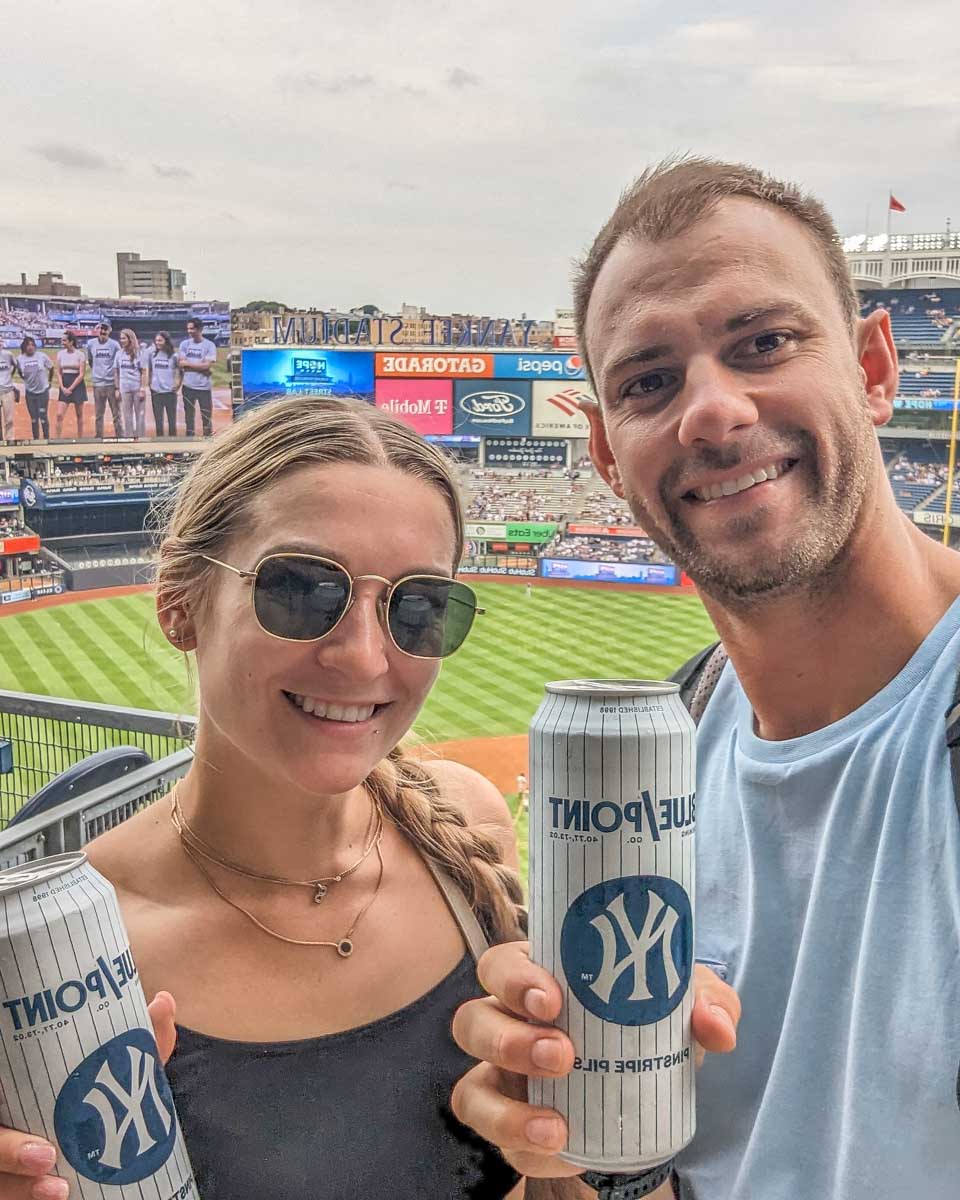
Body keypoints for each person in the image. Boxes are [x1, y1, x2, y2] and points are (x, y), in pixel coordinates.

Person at [450, 157, 960, 1200]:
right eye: (649, 382)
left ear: (874, 368)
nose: (712, 412)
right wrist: (563, 1152)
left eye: (763, 342)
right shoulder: (671, 747)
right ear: (606, 452)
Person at [0, 396, 526, 1200]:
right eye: (301, 590)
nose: (363, 658)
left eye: (419, 607)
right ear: (180, 600)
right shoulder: (67, 950)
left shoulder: (469, 822)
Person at [179, 317, 217, 437]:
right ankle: (189, 438)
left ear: (199, 329)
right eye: (188, 329)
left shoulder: (209, 345)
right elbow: (181, 363)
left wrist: (189, 365)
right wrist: (201, 367)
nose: (189, 331)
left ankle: (208, 439)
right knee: (189, 416)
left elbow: (206, 365)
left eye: (192, 329)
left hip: (204, 387)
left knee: (206, 416)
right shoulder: (184, 344)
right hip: (188, 386)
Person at [86, 320, 123, 437]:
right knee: (98, 414)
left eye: (105, 329)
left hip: (111, 383)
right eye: (101, 329)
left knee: (116, 413)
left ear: (109, 331)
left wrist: (117, 384)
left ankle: (120, 436)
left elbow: (118, 363)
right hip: (98, 384)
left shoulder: (115, 345)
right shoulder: (91, 344)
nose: (102, 331)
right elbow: (90, 361)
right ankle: (99, 436)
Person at [14, 337, 52, 439]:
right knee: (34, 418)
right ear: (24, 347)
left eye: (32, 344)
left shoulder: (42, 356)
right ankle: (36, 439)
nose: (30, 347)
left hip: (42, 392)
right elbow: (19, 371)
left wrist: (49, 381)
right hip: (30, 393)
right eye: (28, 345)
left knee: (43, 417)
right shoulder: (19, 359)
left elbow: (51, 368)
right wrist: (25, 379)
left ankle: (46, 438)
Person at [54, 330, 88, 438]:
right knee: (59, 414)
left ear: (71, 342)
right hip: (65, 383)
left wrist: (71, 388)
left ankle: (80, 438)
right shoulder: (60, 354)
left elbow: (81, 374)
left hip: (77, 385)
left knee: (79, 414)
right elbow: (59, 372)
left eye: (64, 341)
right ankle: (58, 439)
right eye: (62, 340)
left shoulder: (80, 354)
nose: (62, 343)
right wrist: (62, 387)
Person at [114, 327, 147, 438]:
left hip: (137, 388)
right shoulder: (119, 354)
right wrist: (117, 388)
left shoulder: (139, 353)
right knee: (127, 416)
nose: (121, 340)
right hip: (124, 388)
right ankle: (129, 437)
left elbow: (143, 372)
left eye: (124, 338)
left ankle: (140, 438)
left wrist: (142, 388)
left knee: (140, 416)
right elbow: (116, 372)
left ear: (130, 339)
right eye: (121, 338)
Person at [146, 329, 179, 436]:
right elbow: (150, 370)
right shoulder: (152, 355)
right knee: (158, 422)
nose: (157, 343)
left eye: (160, 340)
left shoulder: (174, 356)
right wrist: (150, 383)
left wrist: (178, 384)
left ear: (166, 341)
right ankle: (160, 441)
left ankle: (172, 441)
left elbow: (181, 371)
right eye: (156, 340)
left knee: (172, 421)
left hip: (170, 393)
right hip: (156, 392)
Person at [0, 345, 17, 441]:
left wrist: (10, 375)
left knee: (9, 418)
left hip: (7, 390)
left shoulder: (8, 354)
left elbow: (16, 365)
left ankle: (10, 439)